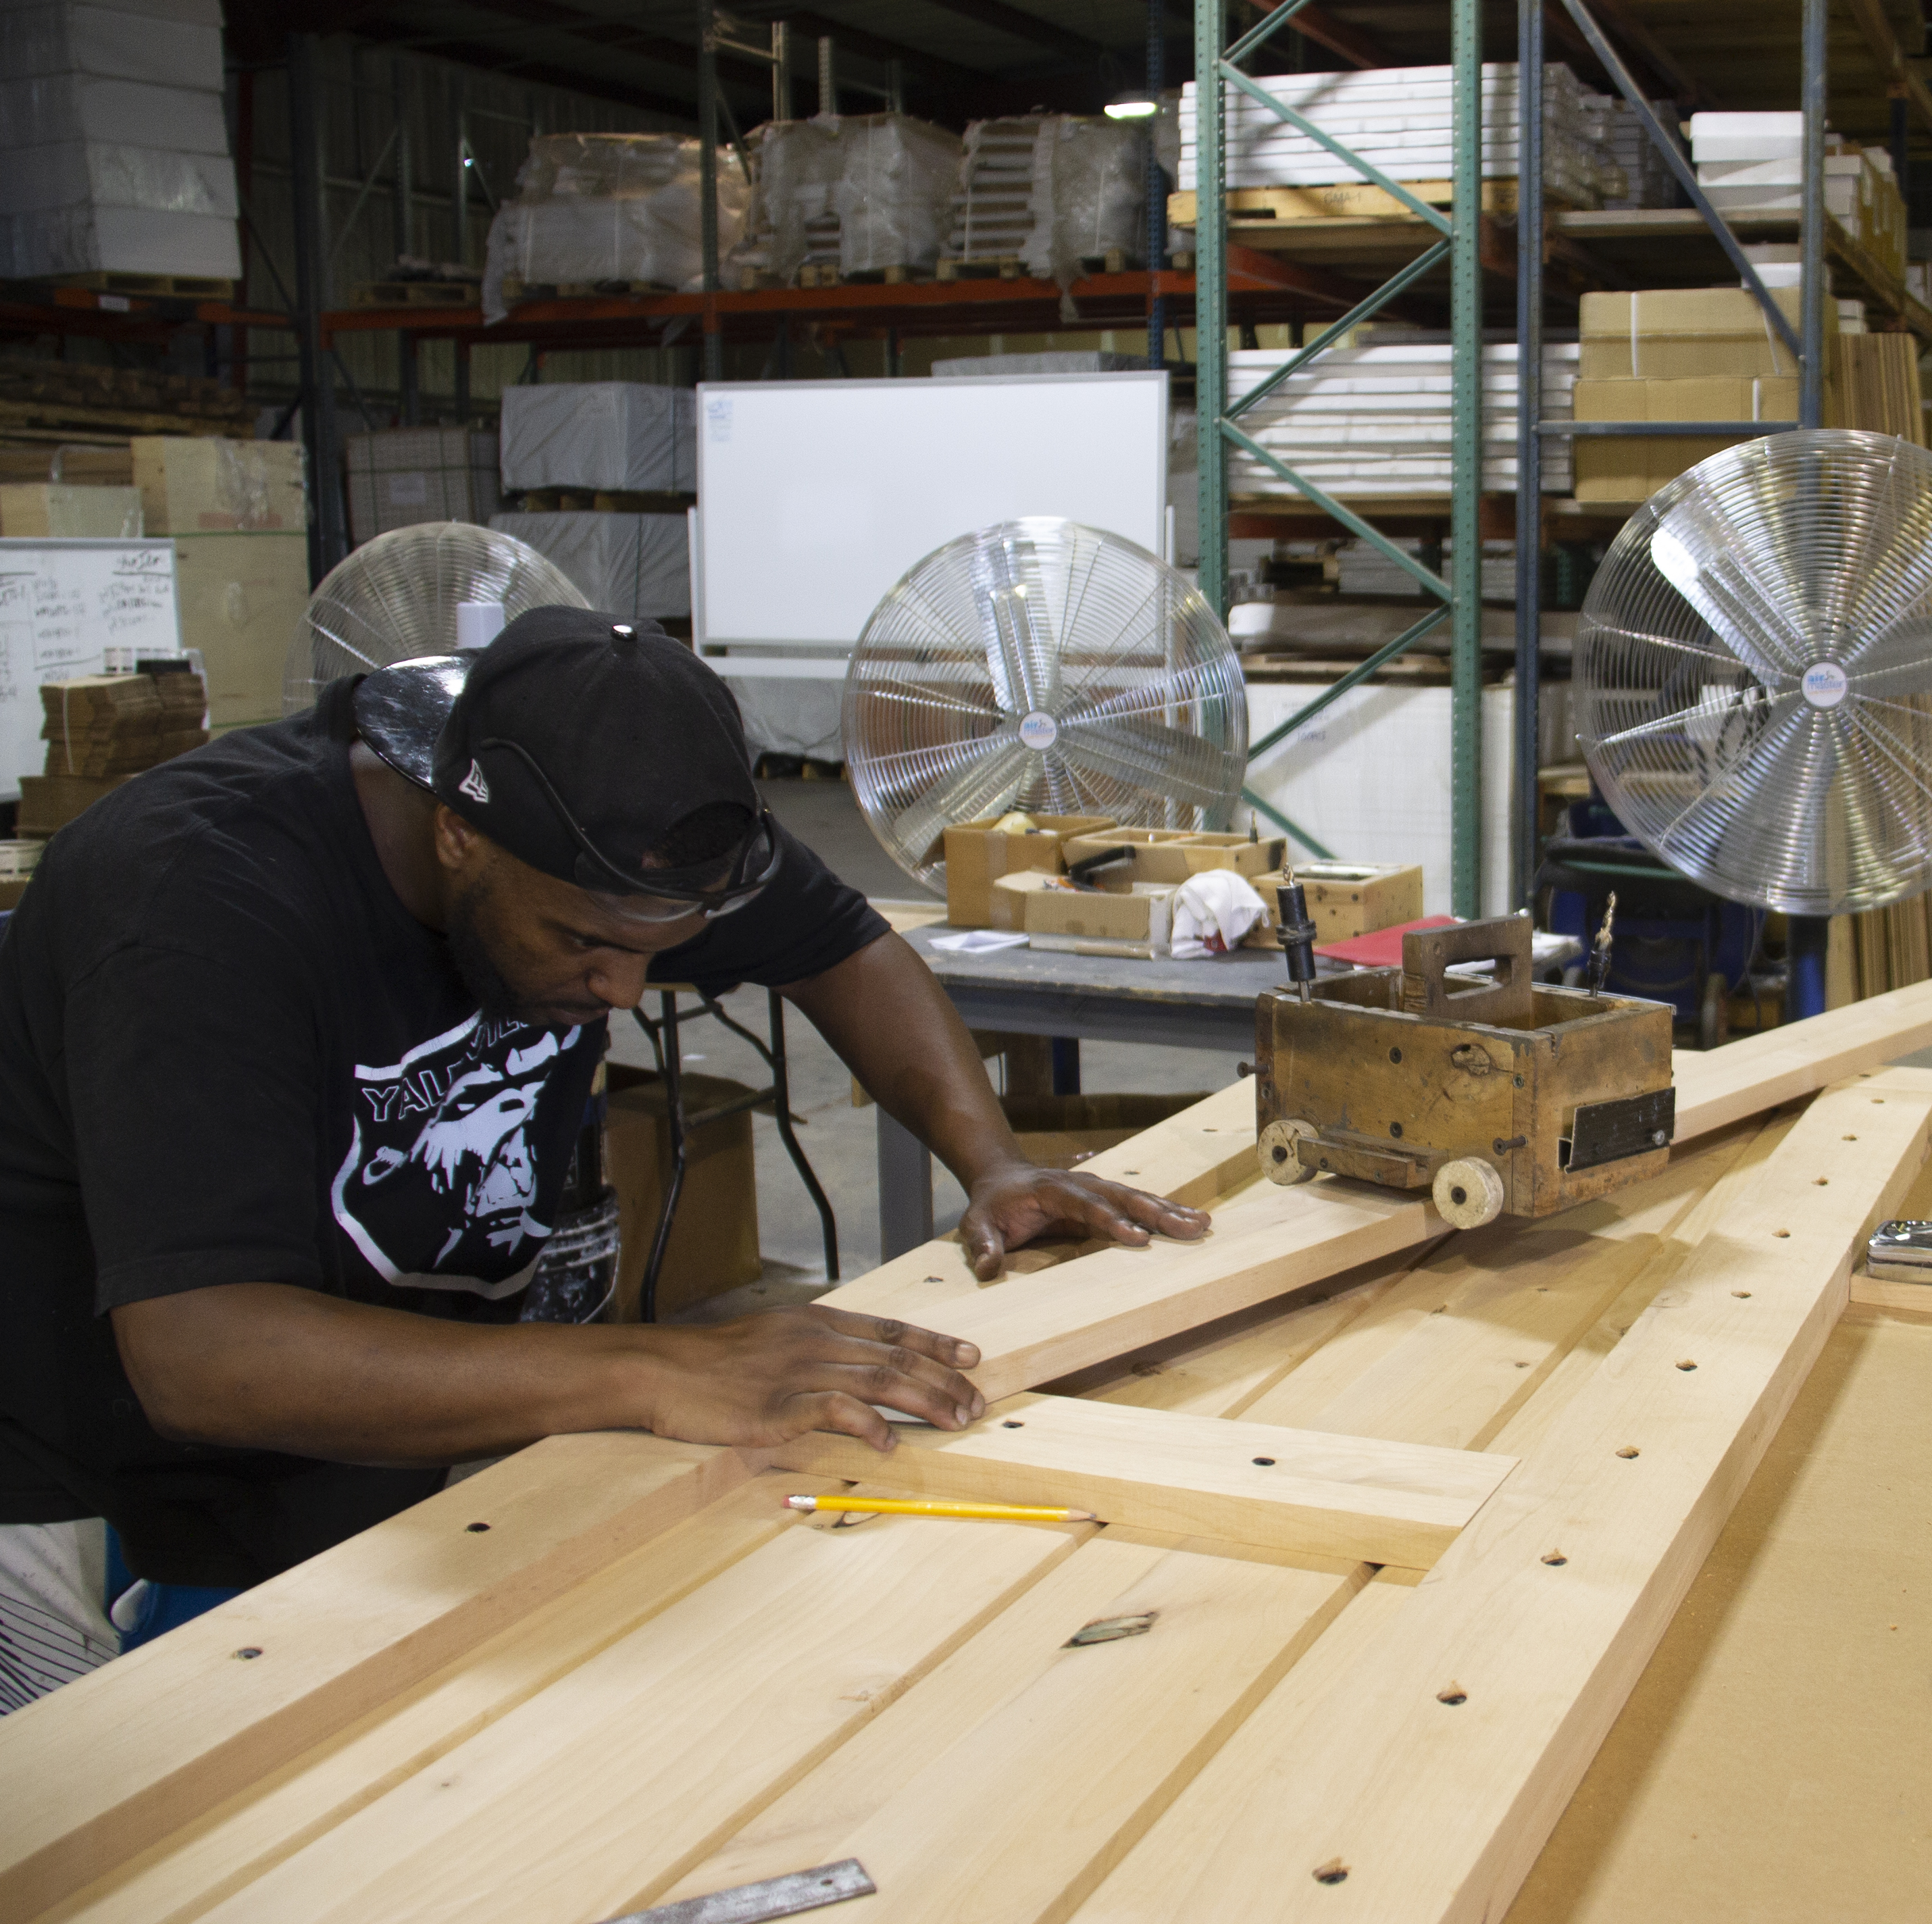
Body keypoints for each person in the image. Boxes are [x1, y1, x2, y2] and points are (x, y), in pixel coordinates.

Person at [0, 609, 1206, 1707]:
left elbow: (843, 945)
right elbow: (205, 1356)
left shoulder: (621, 834)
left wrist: (989, 1162)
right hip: (81, 1471)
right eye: (583, 941)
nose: (621, 991)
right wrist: (650, 1370)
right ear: (458, 835)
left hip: (347, 1432)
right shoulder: (197, 905)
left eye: (659, 951)